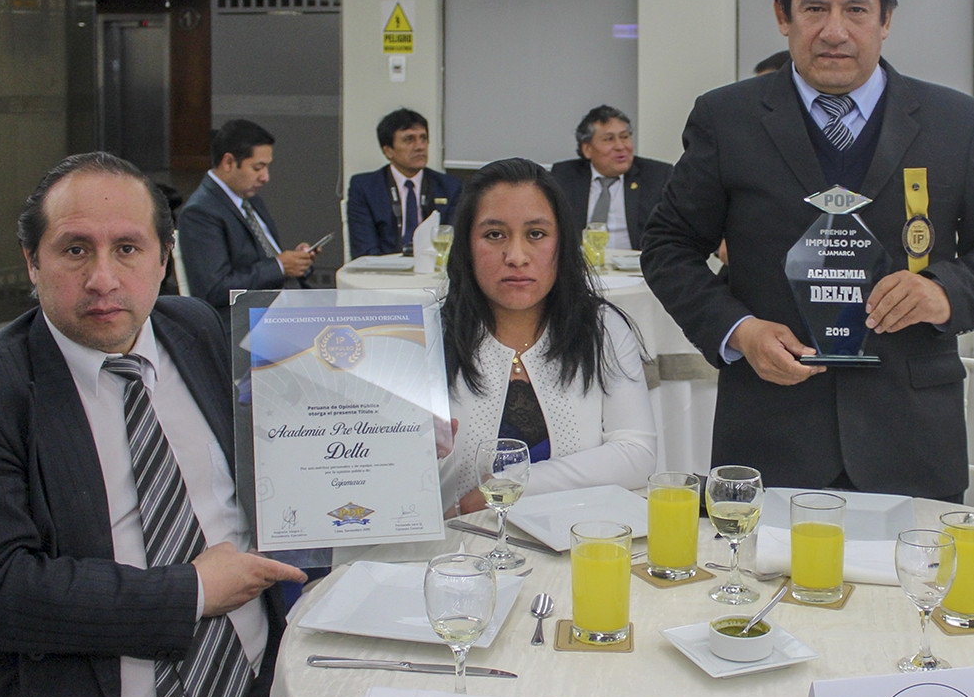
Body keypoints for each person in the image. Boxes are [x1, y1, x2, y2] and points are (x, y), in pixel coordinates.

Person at [0, 152, 305, 697]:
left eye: (127, 248)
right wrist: (190, 592)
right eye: (75, 249)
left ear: (164, 259)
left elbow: (291, 448)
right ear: (32, 262)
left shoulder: (198, 328)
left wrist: (389, 442)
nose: (103, 278)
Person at [641, 0, 974, 501]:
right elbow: (668, 245)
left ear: (886, 19)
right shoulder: (726, 119)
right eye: (814, 9)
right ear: (783, 16)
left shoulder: (955, 122)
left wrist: (944, 291)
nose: (834, 31)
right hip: (770, 430)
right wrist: (740, 330)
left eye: (856, 10)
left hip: (912, 435)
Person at [438, 158, 656, 512]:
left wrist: (504, 489)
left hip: (575, 537)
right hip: (454, 542)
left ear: (562, 243)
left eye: (536, 234)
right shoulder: (430, 335)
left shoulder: (601, 329)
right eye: (494, 235)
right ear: (466, 245)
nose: (516, 257)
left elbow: (636, 454)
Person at [178, 119, 317, 329]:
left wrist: (297, 262)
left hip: (285, 306)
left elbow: (263, 257)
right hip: (247, 324)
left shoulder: (250, 199)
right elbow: (215, 289)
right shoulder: (200, 212)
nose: (265, 177)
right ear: (228, 162)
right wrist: (279, 266)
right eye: (257, 168)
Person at [550, 105, 672, 251]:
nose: (620, 146)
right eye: (609, 139)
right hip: (581, 262)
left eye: (624, 137)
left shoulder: (657, 175)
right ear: (587, 149)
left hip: (637, 263)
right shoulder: (564, 176)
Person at [346, 108, 463, 258]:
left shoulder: (450, 187)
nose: (420, 146)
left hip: (432, 268)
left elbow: (453, 245)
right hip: (382, 269)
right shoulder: (365, 187)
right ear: (388, 151)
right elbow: (364, 250)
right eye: (409, 140)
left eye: (423, 138)